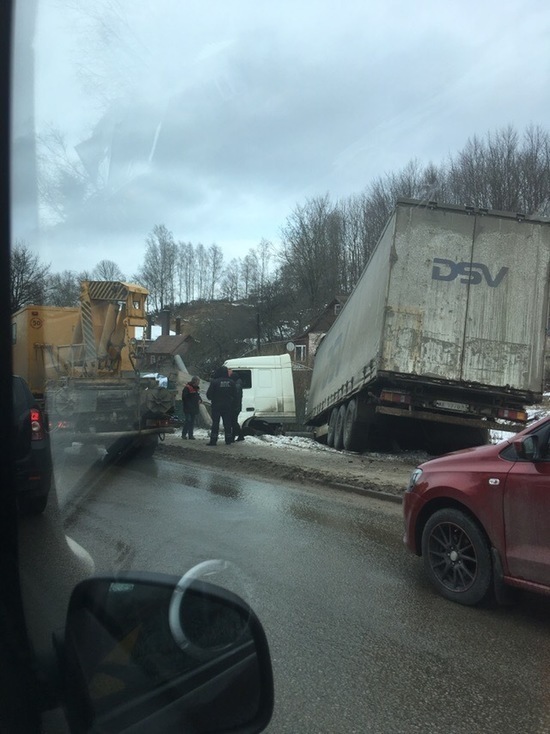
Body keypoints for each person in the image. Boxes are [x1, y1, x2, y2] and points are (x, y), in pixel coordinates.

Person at [206, 366, 236, 445]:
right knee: (227, 423)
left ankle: (213, 440)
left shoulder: (215, 382)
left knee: (215, 423)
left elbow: (209, 395)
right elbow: (235, 394)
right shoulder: (231, 382)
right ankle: (228, 439)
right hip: (227, 406)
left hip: (216, 405)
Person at [228, 369, 245, 441]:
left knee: (233, 422)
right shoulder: (238, 383)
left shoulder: (237, 385)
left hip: (235, 406)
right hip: (236, 406)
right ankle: (235, 436)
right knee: (234, 421)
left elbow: (236, 397)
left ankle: (238, 436)